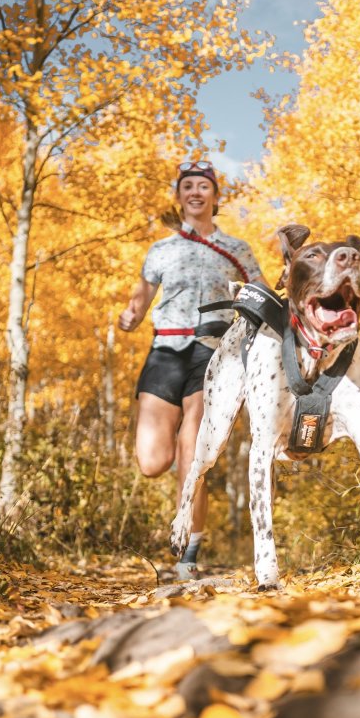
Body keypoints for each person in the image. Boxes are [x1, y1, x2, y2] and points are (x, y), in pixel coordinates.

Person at [118, 159, 264, 581]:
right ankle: (186, 548)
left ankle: (188, 556)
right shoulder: (161, 250)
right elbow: (140, 299)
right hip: (165, 349)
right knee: (151, 461)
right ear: (180, 196)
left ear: (216, 198)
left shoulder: (237, 250)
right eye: (188, 187)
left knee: (190, 454)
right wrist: (129, 317)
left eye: (204, 186)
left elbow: (259, 295)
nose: (196, 192)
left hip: (213, 354)